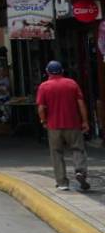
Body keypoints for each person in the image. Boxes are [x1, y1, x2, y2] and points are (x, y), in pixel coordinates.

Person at [36, 61, 91, 192]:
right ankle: (80, 171)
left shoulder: (44, 86)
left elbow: (41, 108)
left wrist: (43, 121)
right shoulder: (72, 83)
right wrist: (85, 121)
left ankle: (62, 182)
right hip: (73, 124)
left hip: (53, 126)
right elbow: (81, 104)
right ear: (62, 71)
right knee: (78, 149)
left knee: (56, 153)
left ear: (47, 72)